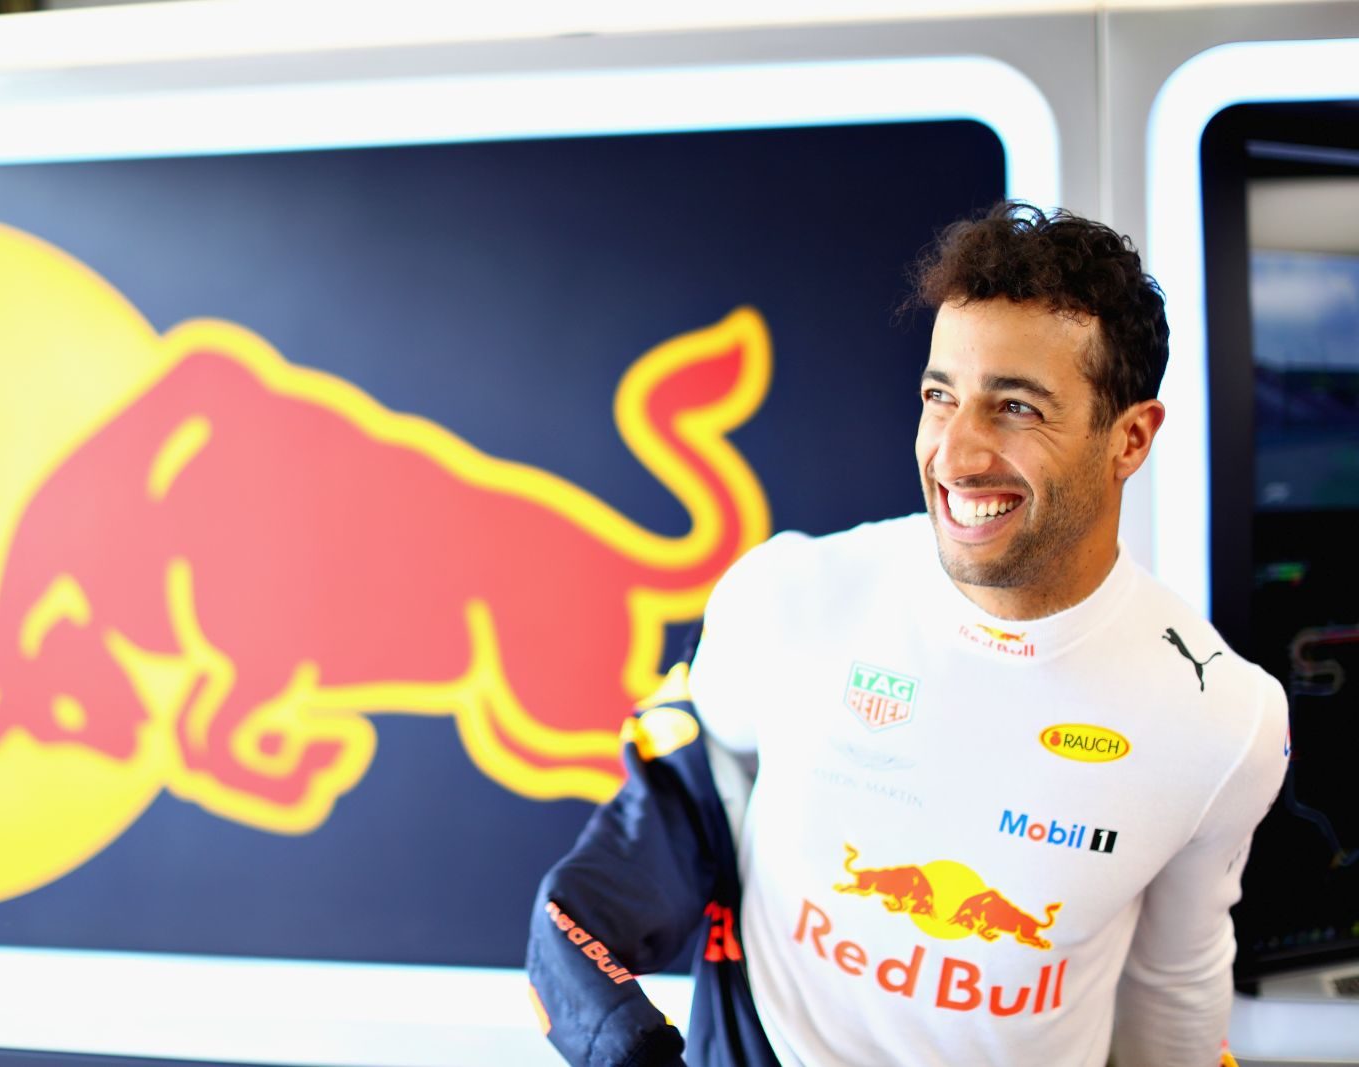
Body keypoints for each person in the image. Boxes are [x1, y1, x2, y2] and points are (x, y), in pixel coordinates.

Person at [527, 202, 1287, 1067]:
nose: (955, 455)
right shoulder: (786, 596)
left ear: (1131, 438)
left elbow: (1172, 994)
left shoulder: (1225, 718)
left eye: (1016, 407)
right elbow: (700, 793)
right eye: (939, 397)